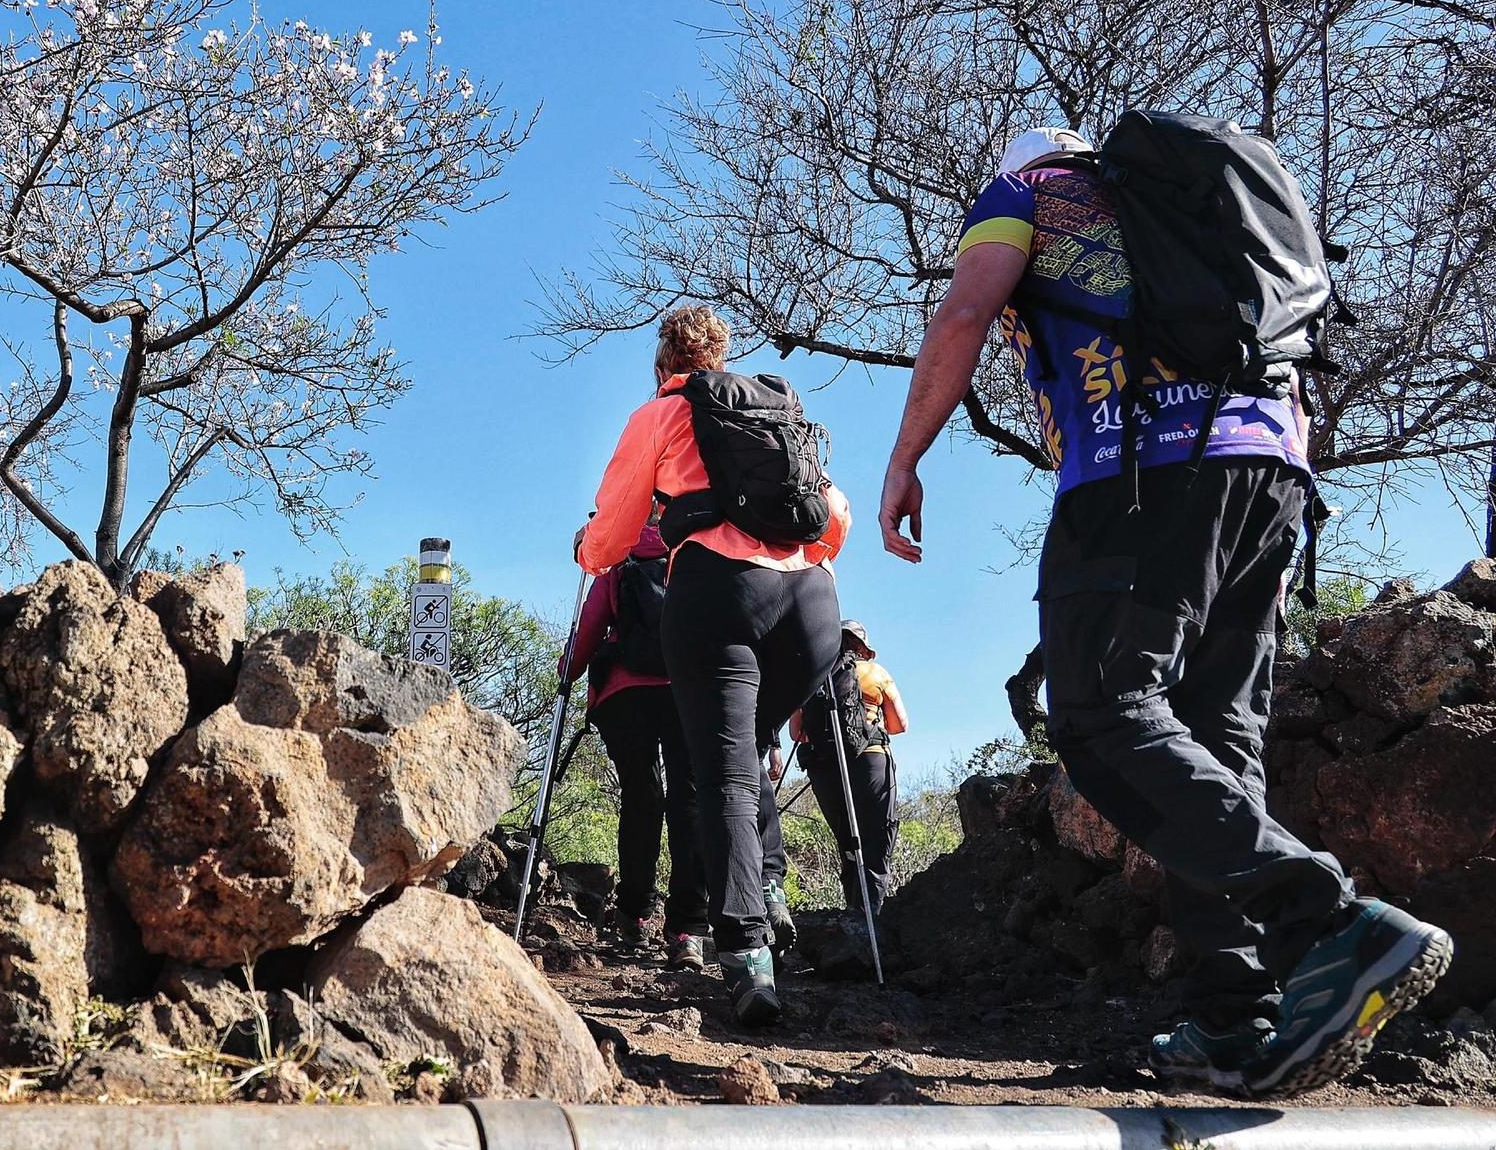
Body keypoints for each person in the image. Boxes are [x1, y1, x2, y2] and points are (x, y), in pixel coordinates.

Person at [877, 127, 1452, 1096]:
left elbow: (964, 311)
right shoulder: (1187, 215)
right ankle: (1242, 1019)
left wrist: (903, 457)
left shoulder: (1025, 191)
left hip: (1141, 466)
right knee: (1212, 735)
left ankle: (1332, 920)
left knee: (1101, 713)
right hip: (1273, 473)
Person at [576, 304, 849, 1026]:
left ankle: (750, 955)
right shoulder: (773, 407)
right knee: (748, 751)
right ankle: (775, 891)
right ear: (722, 357)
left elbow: (611, 532)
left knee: (724, 770)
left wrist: (587, 551)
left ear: (664, 363)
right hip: (813, 606)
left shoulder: (661, 413)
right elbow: (834, 515)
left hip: (720, 596)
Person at [559, 516, 711, 971]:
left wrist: (568, 672)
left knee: (641, 798)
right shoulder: (690, 555)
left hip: (624, 696)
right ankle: (688, 930)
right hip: (686, 691)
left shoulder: (617, 559)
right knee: (690, 801)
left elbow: (589, 627)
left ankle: (635, 914)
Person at [790, 620, 902, 916]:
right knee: (876, 839)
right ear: (863, 647)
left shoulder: (813, 677)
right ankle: (871, 917)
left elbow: (796, 733)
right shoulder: (876, 673)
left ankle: (851, 915)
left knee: (848, 840)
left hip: (825, 765)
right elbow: (900, 724)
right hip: (871, 760)